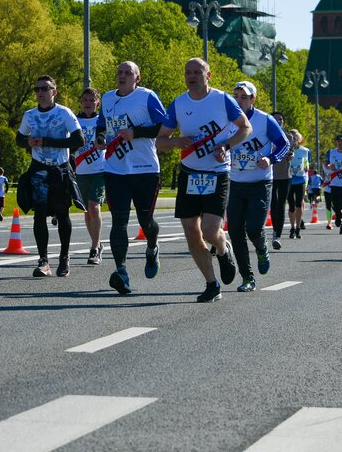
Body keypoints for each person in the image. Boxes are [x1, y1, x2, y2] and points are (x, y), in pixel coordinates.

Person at [157, 58, 250, 303]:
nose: (192, 76)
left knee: (210, 230)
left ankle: (222, 248)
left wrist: (226, 145)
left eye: (197, 72)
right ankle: (211, 283)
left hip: (217, 172)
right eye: (188, 72)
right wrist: (176, 141)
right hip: (189, 173)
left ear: (208, 75)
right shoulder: (178, 103)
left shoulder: (222, 99)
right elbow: (161, 141)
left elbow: (245, 127)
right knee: (191, 232)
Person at [100, 61, 169, 295]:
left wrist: (135, 132)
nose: (122, 76)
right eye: (119, 72)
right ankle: (121, 270)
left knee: (145, 220)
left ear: (137, 78)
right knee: (119, 221)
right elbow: (102, 124)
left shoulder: (147, 97)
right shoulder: (108, 98)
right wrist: (101, 138)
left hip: (145, 169)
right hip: (115, 169)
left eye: (128, 73)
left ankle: (152, 247)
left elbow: (164, 127)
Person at [15, 75, 83, 277]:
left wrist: (49, 142)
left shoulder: (64, 113)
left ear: (54, 91)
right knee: (39, 215)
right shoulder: (29, 115)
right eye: (37, 89)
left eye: (45, 88)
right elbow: (19, 139)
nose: (40, 93)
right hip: (39, 171)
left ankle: (64, 257)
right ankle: (43, 260)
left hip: (59, 170)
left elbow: (79, 140)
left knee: (63, 215)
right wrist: (29, 142)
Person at [226, 81, 287, 292]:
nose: (239, 100)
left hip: (260, 182)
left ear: (253, 99)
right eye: (236, 96)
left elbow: (284, 144)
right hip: (234, 182)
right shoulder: (227, 119)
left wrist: (270, 158)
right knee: (234, 231)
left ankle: (262, 248)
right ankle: (247, 277)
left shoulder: (265, 120)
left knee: (253, 228)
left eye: (244, 97)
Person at [74, 87, 107, 264]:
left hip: (99, 170)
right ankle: (98, 243)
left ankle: (94, 248)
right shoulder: (75, 120)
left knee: (94, 206)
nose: (88, 103)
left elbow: (108, 138)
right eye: (85, 100)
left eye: (91, 100)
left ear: (97, 103)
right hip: (81, 171)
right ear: (81, 102)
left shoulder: (101, 121)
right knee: (87, 211)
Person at [267, 112, 293, 249]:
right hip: (270, 175)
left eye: (281, 119)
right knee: (273, 204)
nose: (279, 121)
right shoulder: (266, 134)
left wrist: (291, 155)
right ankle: (274, 231)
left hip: (285, 175)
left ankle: (277, 235)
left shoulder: (289, 136)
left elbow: (290, 151)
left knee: (281, 204)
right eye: (276, 119)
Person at [287, 129, 309, 240]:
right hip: (289, 180)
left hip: (300, 180)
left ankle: (298, 228)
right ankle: (292, 227)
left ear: (299, 139)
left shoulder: (304, 151)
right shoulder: (285, 150)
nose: (294, 139)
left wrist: (306, 167)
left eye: (296, 137)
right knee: (291, 205)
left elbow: (306, 162)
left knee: (299, 204)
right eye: (291, 137)